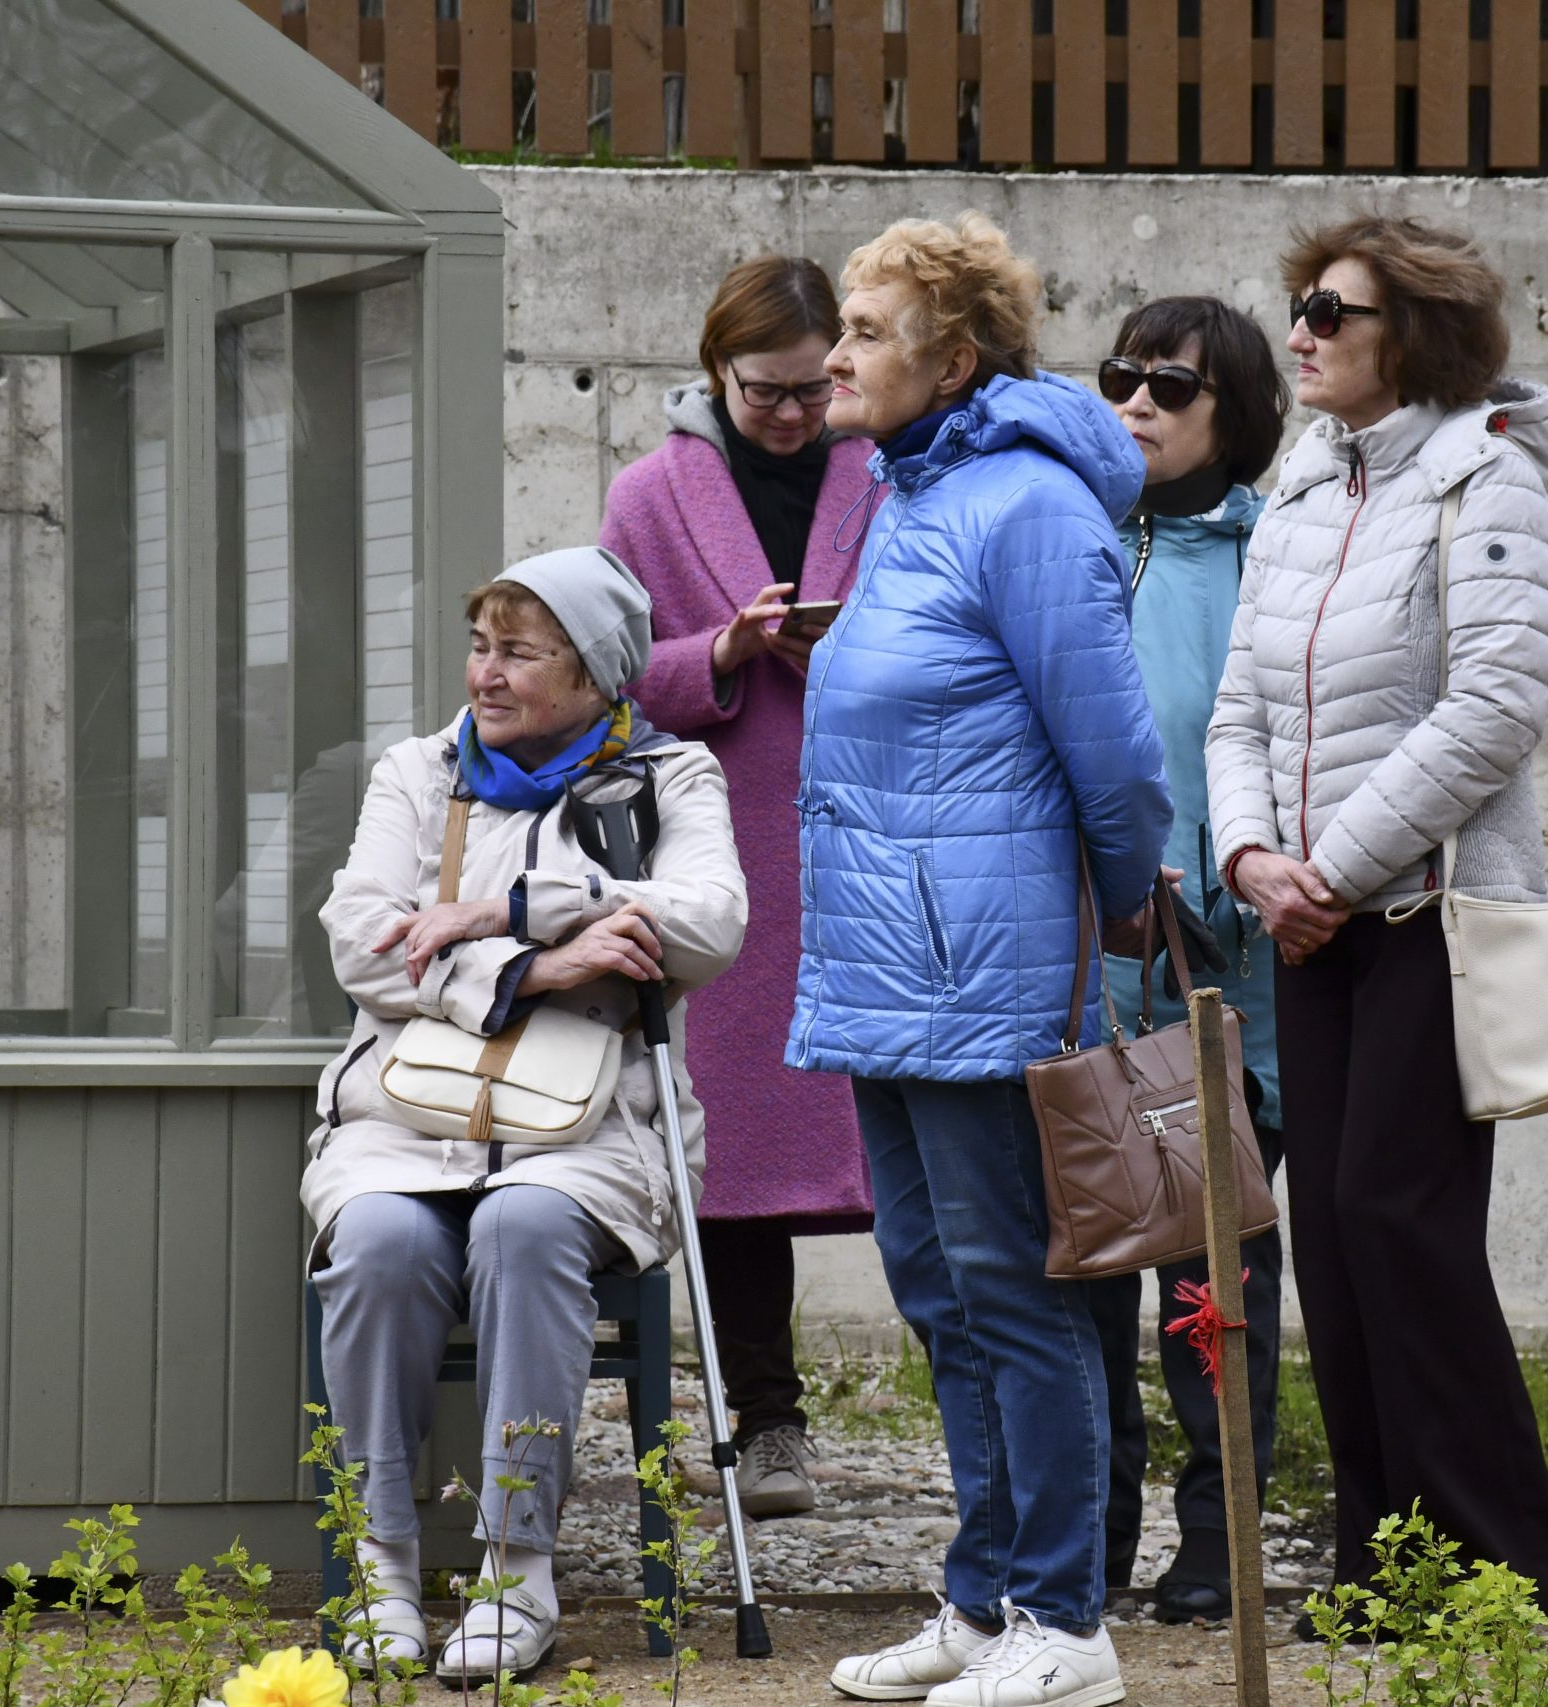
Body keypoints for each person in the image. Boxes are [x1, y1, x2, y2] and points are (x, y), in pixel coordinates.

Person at [795, 212, 1171, 1707]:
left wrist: (1121, 900)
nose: (834, 356)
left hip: (981, 970)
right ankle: (984, 1598)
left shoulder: (1025, 506)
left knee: (1014, 1293)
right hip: (885, 967)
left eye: (866, 331)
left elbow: (1117, 755)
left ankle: (1065, 1622)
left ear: (953, 360)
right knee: (939, 1292)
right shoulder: (910, 491)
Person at [1203, 216, 1548, 1623]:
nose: (1298, 331)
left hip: (1425, 911)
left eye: (1332, 311)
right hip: (1313, 922)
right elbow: (1238, 709)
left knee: (1397, 1220)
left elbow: (1496, 706)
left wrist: (1329, 871)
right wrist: (1251, 857)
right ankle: (1388, 1564)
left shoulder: (1487, 479)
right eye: (1298, 304)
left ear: (1409, 336)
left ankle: (1503, 1569)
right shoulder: (1304, 483)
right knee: (1338, 1234)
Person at [304, 547, 748, 1681]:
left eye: (519, 652)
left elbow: (707, 922)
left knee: (524, 1222)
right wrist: (537, 970)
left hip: (598, 1129)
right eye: (479, 647)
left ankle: (517, 1568)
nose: (485, 674)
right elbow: (361, 940)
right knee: (379, 1240)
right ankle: (383, 1560)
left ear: (594, 674)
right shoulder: (417, 772)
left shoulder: (671, 775)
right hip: (405, 1118)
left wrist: (502, 909)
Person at [603, 254, 877, 1519]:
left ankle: (984, 1424)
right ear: (715, 370)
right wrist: (720, 649)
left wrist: (853, 645)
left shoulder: (892, 470)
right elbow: (606, 673)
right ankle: (766, 1421)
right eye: (764, 391)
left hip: (879, 834)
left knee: (920, 1128)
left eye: (814, 390)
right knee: (740, 1149)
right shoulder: (649, 494)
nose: (791, 415)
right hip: (731, 840)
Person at [1078, 295, 1294, 1625]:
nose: (1136, 404)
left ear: (1241, 412)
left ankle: (1219, 1532)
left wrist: (1240, 875)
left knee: (1216, 1272)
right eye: (1121, 377)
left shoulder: (1278, 553)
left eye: (1170, 386)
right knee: (1084, 1268)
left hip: (1229, 974)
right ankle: (1091, 1529)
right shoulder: (1071, 538)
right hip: (1078, 972)